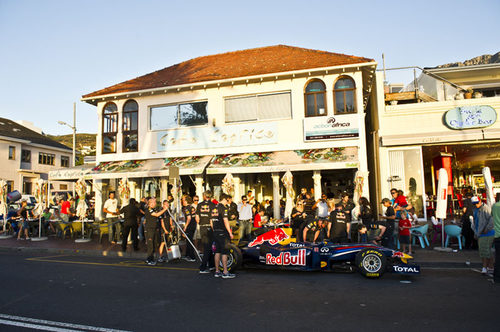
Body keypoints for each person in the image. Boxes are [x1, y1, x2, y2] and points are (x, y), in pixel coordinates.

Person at [211, 194, 235, 279]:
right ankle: (225, 272)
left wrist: (214, 230)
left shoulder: (214, 207)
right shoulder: (223, 208)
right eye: (228, 200)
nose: (228, 202)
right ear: (225, 199)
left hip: (215, 232)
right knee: (225, 252)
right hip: (223, 232)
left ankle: (217, 271)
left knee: (217, 251)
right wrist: (230, 232)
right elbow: (226, 221)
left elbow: (211, 221)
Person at [471, 196, 494, 276]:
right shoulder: (475, 210)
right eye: (474, 204)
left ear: (480, 201)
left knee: (485, 250)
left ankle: (485, 267)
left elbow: (491, 219)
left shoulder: (485, 208)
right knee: (485, 251)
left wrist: (487, 229)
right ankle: (490, 267)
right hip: (481, 232)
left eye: (477, 203)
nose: (476, 205)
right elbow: (475, 222)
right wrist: (476, 232)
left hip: (487, 232)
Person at [143, 197, 169, 265]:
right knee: (150, 245)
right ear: (150, 203)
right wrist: (164, 209)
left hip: (154, 228)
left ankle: (151, 258)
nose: (155, 203)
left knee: (154, 244)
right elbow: (157, 214)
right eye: (154, 202)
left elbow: (158, 215)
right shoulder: (149, 209)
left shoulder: (154, 209)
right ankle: (149, 259)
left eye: (155, 202)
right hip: (149, 229)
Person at [195, 190, 216, 273]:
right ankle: (202, 267)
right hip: (209, 227)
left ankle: (211, 265)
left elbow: (197, 218)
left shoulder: (199, 205)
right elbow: (212, 219)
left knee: (207, 246)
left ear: (204, 196)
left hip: (202, 227)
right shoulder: (213, 205)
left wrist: (200, 223)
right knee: (208, 248)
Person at [182, 195, 197, 262]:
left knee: (189, 241)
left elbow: (189, 218)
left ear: (186, 201)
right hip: (193, 225)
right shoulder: (192, 207)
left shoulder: (187, 208)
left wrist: (185, 226)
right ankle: (187, 255)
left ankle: (192, 256)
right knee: (188, 240)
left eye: (183, 200)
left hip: (189, 226)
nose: (182, 201)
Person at [492, 194, 500, 283]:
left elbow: (492, 215)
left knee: (498, 258)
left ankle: (496, 278)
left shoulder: (494, 206)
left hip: (497, 235)